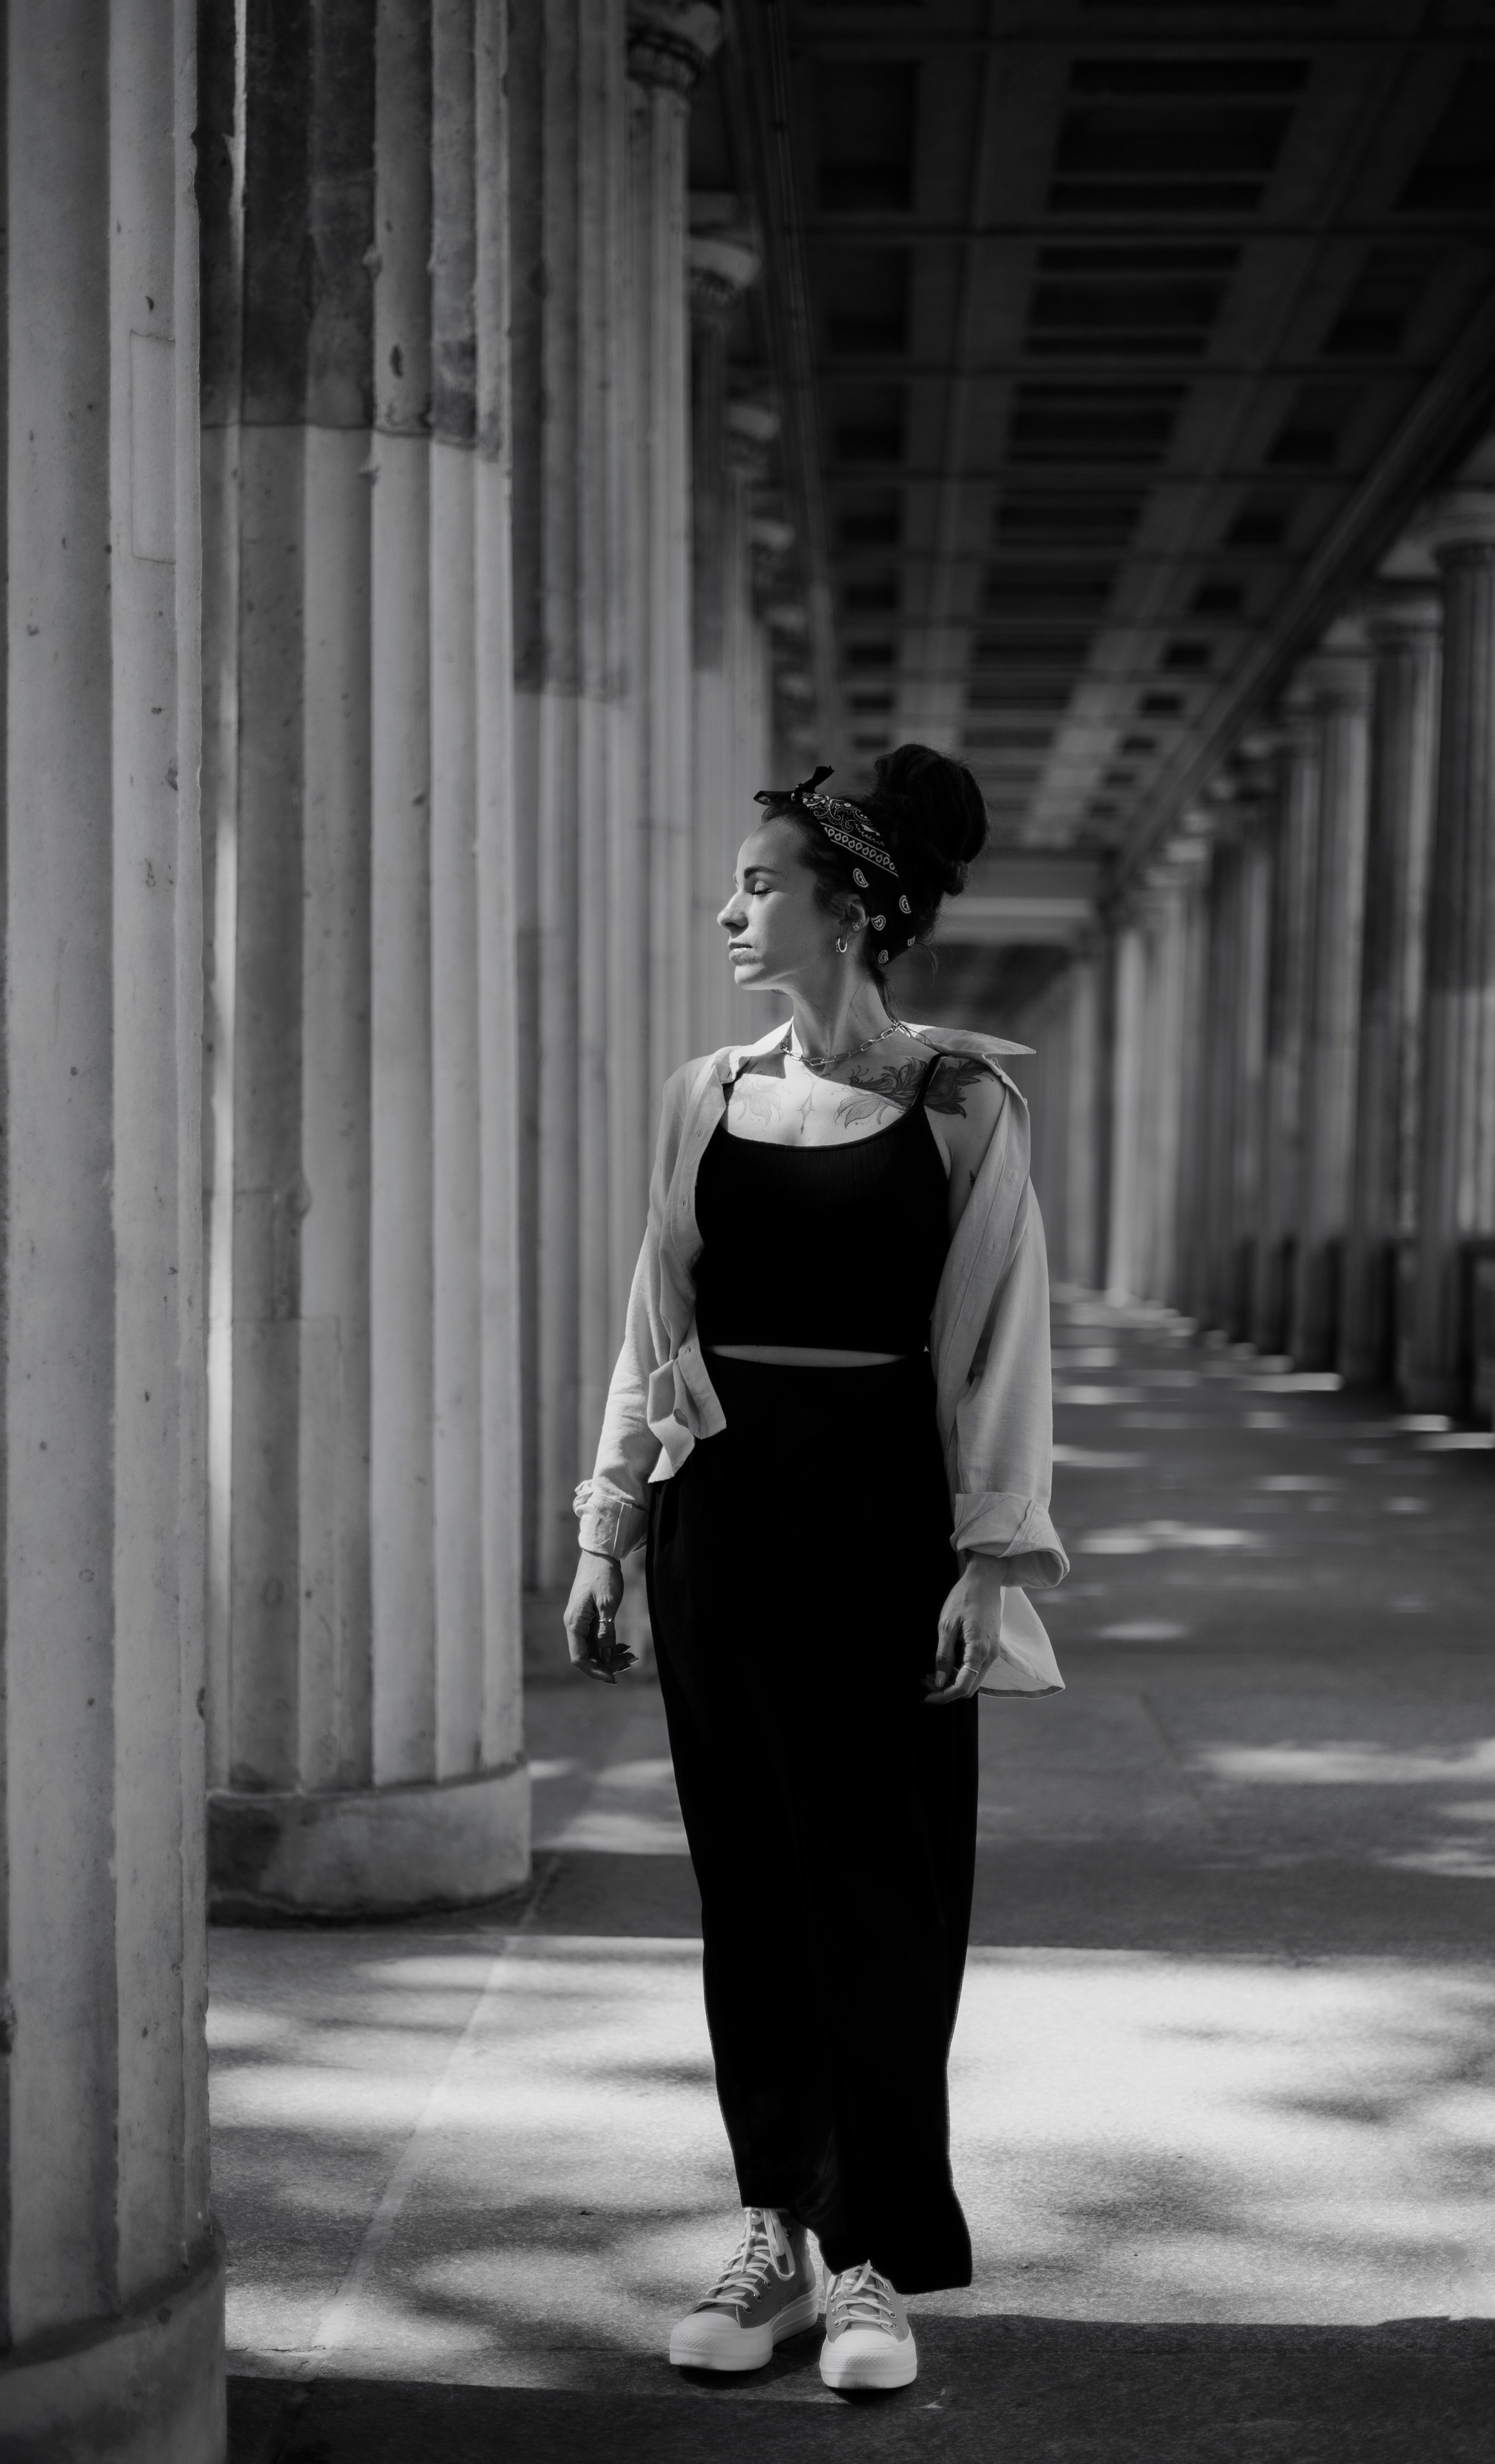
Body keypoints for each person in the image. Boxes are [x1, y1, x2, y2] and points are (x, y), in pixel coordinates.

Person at [564, 744, 1067, 2393]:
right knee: (750, 1889)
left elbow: (999, 1349)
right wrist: (609, 1522)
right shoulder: (700, 1094)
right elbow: (658, 1323)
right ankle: (775, 2225)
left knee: (884, 1891)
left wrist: (989, 1562)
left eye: (760, 883)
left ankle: (873, 2263)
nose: (729, 909)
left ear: (852, 903)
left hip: (882, 1517)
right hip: (722, 1525)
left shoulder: (961, 1108)